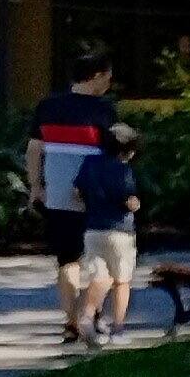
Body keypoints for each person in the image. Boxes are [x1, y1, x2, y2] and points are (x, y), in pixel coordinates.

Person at [26, 51, 118, 344]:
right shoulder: (104, 111)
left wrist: (35, 186)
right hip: (96, 197)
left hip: (58, 195)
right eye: (107, 76)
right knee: (100, 261)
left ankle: (70, 322)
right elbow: (113, 156)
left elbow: (34, 150)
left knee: (67, 260)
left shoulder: (48, 107)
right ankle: (91, 316)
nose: (109, 82)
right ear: (96, 76)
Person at [70, 120, 141, 343]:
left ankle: (87, 317)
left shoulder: (90, 163)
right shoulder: (124, 170)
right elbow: (129, 201)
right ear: (127, 151)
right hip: (121, 231)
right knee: (121, 280)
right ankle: (118, 329)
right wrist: (136, 203)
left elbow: (77, 192)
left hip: (93, 230)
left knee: (99, 277)